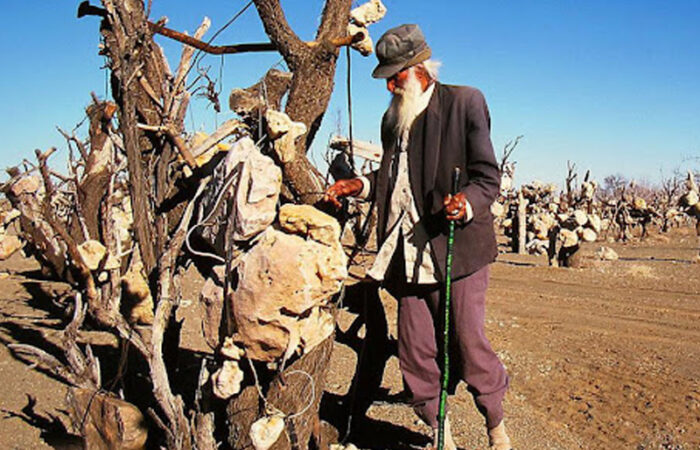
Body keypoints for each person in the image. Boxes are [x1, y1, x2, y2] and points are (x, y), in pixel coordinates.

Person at [324, 24, 512, 450]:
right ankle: (439, 432)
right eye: (387, 78)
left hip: (457, 250)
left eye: (395, 76)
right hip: (406, 255)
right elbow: (395, 178)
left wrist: (465, 202)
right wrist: (360, 186)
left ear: (419, 68)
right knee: (413, 352)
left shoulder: (465, 102)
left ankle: (496, 426)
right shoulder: (392, 119)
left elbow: (487, 177)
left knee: (468, 344)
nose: (389, 86)